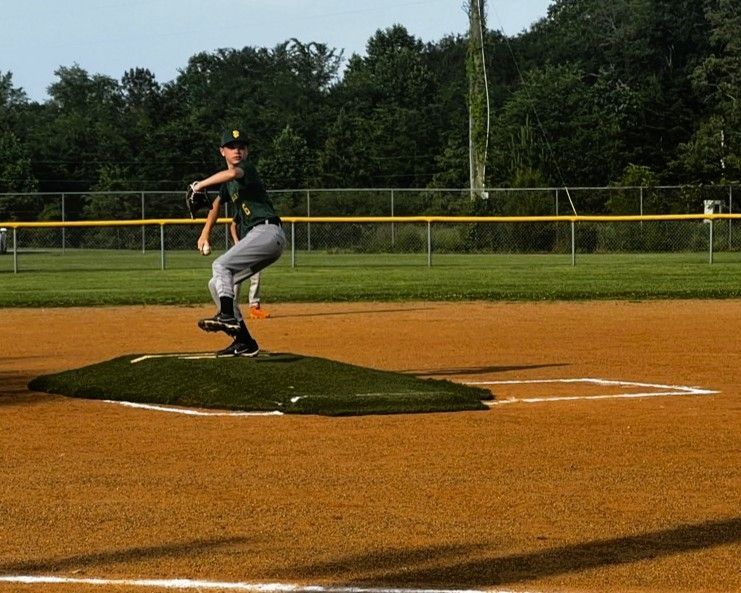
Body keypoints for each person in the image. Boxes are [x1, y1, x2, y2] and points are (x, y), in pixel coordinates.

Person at [191, 128, 285, 356]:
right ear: (222, 151)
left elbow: (232, 175)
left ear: (247, 151)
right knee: (216, 283)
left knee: (220, 265)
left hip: (267, 231)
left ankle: (226, 316)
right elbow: (216, 205)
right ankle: (244, 341)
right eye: (231, 147)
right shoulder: (227, 184)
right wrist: (205, 233)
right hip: (260, 238)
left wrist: (199, 185)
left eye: (241, 147)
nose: (237, 150)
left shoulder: (246, 169)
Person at [229, 220, 271, 320]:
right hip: (241, 248)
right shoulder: (242, 208)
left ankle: (254, 307)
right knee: (237, 279)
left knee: (256, 276)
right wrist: (236, 241)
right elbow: (233, 226)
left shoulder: (259, 214)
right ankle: (231, 309)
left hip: (255, 248)